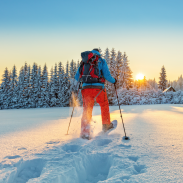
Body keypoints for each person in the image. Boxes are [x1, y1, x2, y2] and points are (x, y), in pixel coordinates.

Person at [75, 48, 117, 139]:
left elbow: (77, 77)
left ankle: (85, 133)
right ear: (98, 52)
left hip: (86, 89)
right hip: (99, 89)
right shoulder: (101, 60)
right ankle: (106, 126)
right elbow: (106, 75)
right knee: (104, 105)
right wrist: (114, 81)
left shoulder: (84, 62)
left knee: (87, 109)